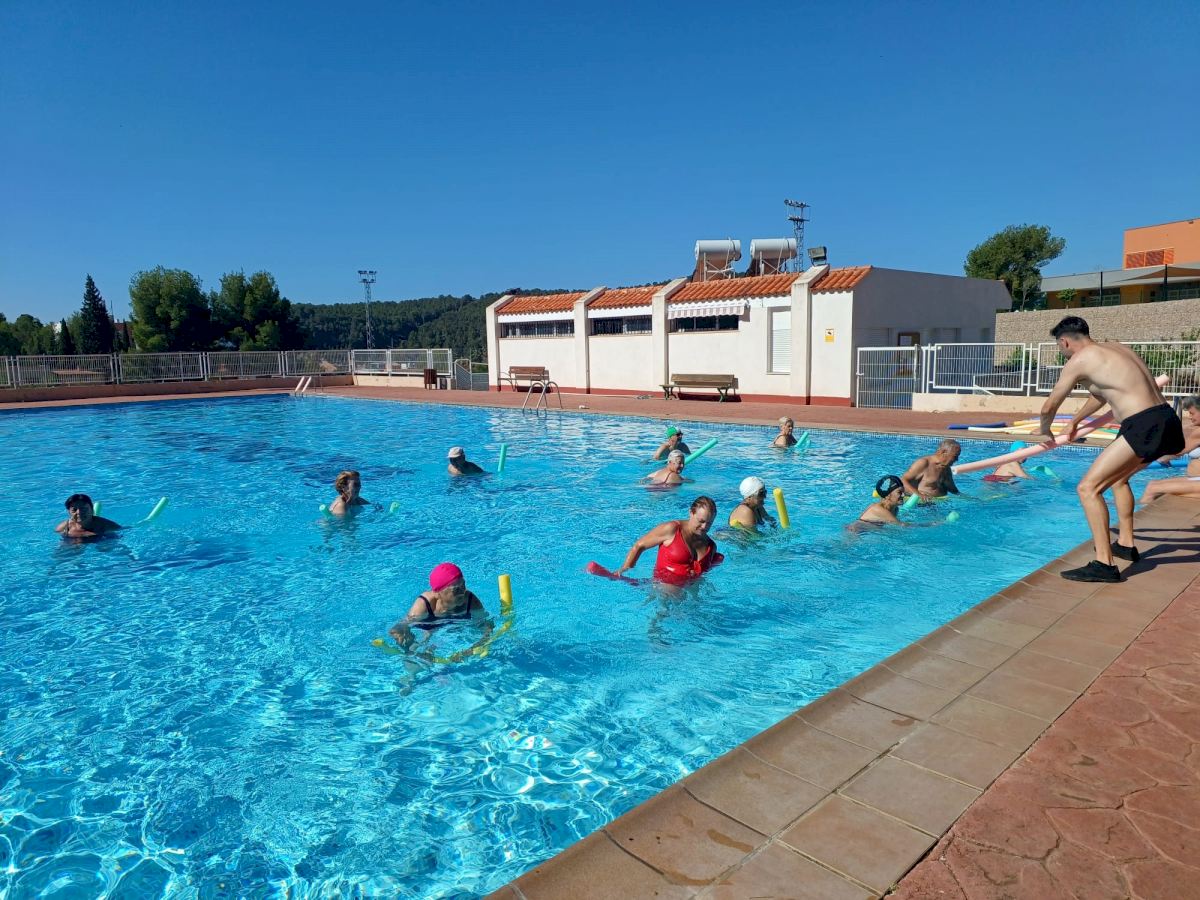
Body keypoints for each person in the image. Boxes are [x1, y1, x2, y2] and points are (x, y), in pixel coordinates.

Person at [1038, 316, 1184, 581]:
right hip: (1166, 419)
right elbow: (1100, 395)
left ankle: (1104, 564)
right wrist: (1075, 421)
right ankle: (1125, 544)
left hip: (1142, 424)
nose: (1062, 351)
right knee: (1119, 480)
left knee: (1088, 488)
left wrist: (1045, 431)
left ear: (1065, 342)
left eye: (1060, 347)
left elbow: (1049, 406)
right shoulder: (1117, 348)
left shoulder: (1079, 360)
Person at [616, 496, 724, 583]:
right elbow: (639, 545)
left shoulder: (710, 546)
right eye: (701, 521)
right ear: (691, 513)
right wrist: (626, 568)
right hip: (663, 588)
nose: (704, 527)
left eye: (709, 523)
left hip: (692, 593)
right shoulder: (672, 529)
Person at [389, 562, 490, 649]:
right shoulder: (424, 605)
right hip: (429, 625)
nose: (462, 592)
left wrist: (477, 646)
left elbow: (485, 625)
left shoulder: (470, 601)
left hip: (457, 626)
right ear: (437, 592)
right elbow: (401, 625)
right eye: (456, 590)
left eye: (463, 585)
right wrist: (401, 634)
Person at [1138, 395, 1200, 504]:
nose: (1190, 417)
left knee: (1152, 488)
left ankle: (1134, 512)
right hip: (1196, 479)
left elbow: (1179, 451)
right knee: (1153, 485)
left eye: (1192, 413)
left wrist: (1159, 458)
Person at [55, 493, 122, 539]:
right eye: (74, 510)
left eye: (83, 508)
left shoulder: (105, 525)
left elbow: (122, 532)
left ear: (92, 509)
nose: (79, 512)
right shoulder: (63, 528)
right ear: (69, 512)